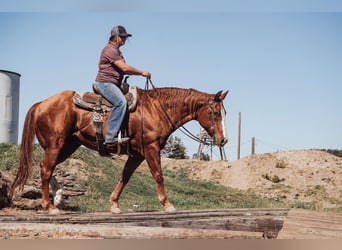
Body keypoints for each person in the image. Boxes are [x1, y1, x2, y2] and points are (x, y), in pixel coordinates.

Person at [94, 25, 151, 150]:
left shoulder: (117, 52)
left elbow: (120, 68)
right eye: (123, 37)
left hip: (113, 83)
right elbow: (124, 67)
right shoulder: (110, 50)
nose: (125, 39)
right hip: (105, 83)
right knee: (121, 102)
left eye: (125, 37)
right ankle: (110, 137)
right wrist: (141, 73)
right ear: (116, 37)